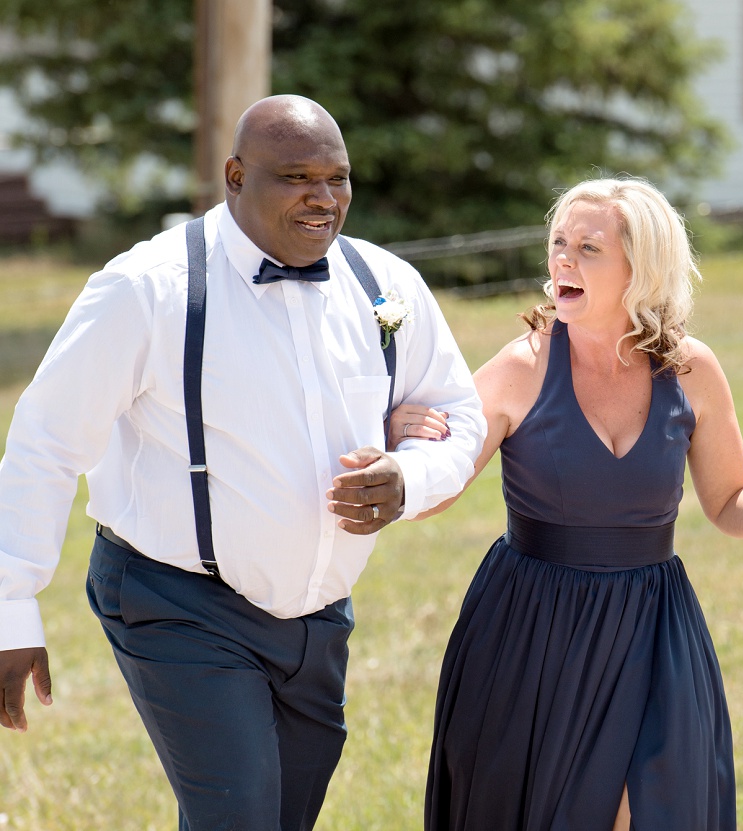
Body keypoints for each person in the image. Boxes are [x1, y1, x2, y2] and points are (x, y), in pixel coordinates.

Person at [0, 95, 486, 830]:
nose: (323, 199)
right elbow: (45, 439)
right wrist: (10, 607)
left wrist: (410, 477)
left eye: (337, 178)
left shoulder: (382, 285)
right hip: (178, 601)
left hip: (319, 617)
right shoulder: (149, 289)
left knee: (286, 815)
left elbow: (457, 412)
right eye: (296, 177)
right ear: (234, 175)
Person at [386, 177, 743, 830]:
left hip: (652, 629)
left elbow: (730, 498)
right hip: (532, 631)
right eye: (558, 243)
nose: (562, 259)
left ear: (640, 268)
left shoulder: (691, 369)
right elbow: (433, 492)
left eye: (588, 248)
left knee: (655, 805)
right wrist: (399, 445)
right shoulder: (519, 368)